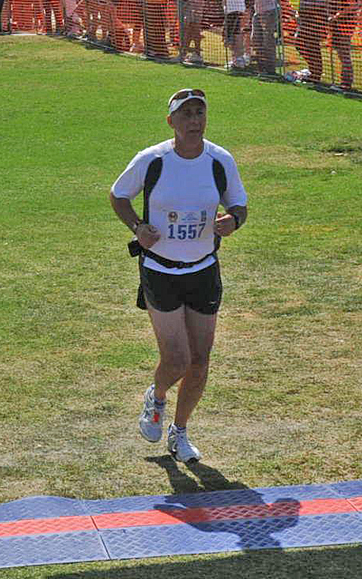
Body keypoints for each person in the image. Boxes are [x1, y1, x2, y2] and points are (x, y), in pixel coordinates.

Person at [110, 88, 248, 462]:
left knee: (200, 362)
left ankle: (180, 431)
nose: (194, 121)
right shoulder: (152, 160)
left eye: (199, 113)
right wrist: (138, 227)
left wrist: (233, 220)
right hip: (160, 270)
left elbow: (240, 203)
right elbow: (118, 195)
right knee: (176, 360)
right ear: (171, 121)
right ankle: (156, 399)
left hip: (203, 269)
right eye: (185, 115)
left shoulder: (220, 161)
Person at [285, 0, 325, 83]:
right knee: (300, 43)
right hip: (304, 17)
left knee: (312, 46)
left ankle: (316, 73)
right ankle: (313, 69)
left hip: (315, 19)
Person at [328, 0, 358, 91]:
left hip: (345, 26)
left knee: (344, 54)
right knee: (341, 53)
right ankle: (343, 81)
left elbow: (352, 6)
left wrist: (337, 15)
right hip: (338, 26)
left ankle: (346, 83)